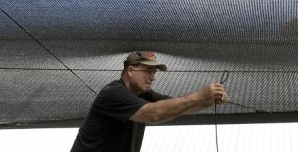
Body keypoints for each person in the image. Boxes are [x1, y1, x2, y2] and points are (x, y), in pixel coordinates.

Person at [71, 50, 229, 152]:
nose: (153, 77)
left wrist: (210, 100)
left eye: (154, 72)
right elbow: (154, 114)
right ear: (131, 71)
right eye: (148, 70)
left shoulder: (143, 94)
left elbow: (180, 107)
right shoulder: (113, 93)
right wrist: (200, 96)